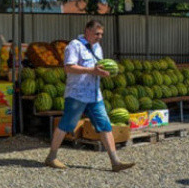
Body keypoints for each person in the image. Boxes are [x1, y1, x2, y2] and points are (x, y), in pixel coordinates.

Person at [44, 19, 135, 172]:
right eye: (97, 33)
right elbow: (69, 67)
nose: (99, 37)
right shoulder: (74, 46)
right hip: (77, 94)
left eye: (101, 34)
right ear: (87, 31)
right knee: (66, 125)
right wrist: (91, 71)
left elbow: (98, 67)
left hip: (94, 95)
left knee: (105, 125)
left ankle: (115, 161)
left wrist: (103, 73)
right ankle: (51, 157)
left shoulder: (97, 48)